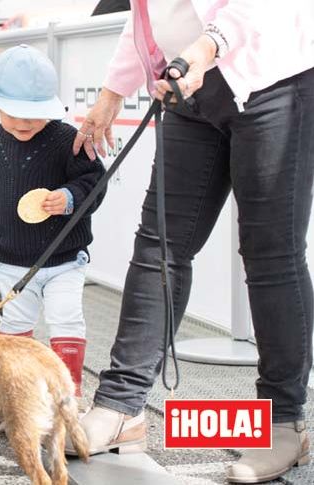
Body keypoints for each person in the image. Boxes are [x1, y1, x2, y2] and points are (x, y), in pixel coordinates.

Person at [71, 1, 314, 482]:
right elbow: (147, 15)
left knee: (271, 256)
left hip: (270, 77)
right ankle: (121, 408)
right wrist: (111, 92)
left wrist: (207, 48)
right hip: (188, 84)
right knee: (159, 245)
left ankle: (284, 424)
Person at [0, 45, 107, 399]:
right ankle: (17, 395)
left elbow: (93, 182)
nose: (23, 123)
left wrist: (69, 197)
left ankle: (67, 396)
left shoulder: (69, 140)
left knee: (66, 320)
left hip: (65, 256)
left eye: (33, 115)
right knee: (14, 326)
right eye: (14, 114)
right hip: (10, 259)